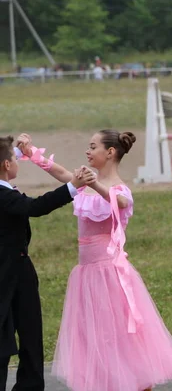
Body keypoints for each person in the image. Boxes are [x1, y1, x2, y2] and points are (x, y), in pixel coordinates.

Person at [19, 131, 172, 391]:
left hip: (109, 274)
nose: (88, 151)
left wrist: (94, 184)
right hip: (86, 274)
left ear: (110, 152)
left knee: (118, 336)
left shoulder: (119, 189)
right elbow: (63, 175)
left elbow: (120, 202)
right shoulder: (85, 184)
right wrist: (32, 155)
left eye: (93, 146)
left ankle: (135, 383)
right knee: (93, 338)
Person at [0, 135, 93, 391]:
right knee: (5, 338)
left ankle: (30, 386)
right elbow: (36, 207)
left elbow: (5, 161)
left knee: (31, 332)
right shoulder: (4, 196)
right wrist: (72, 187)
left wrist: (19, 151)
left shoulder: (4, 185)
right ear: (7, 166)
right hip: (6, 274)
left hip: (21, 271)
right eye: (13, 160)